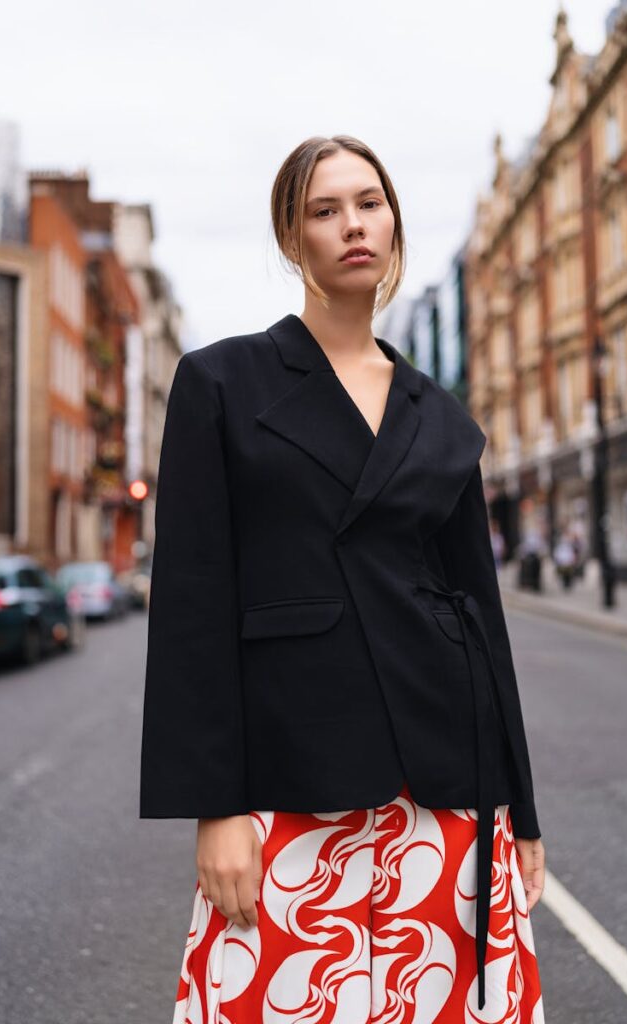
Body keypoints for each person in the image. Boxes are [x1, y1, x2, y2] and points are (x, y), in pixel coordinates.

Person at [139, 135, 546, 1023]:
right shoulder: (222, 381)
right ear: (293, 239)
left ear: (394, 222)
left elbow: (480, 613)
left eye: (369, 203)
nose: (352, 226)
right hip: (292, 784)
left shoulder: (437, 413)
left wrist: (521, 812)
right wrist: (213, 810)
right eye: (324, 210)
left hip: (443, 783)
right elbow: (191, 604)